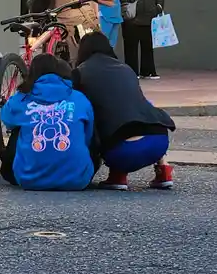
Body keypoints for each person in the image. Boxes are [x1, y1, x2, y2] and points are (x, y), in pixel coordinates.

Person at [72, 32, 175, 190]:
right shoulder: (126, 68)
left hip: (120, 152)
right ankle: (164, 169)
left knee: (99, 118)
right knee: (139, 106)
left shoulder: (80, 72)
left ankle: (117, 175)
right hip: (158, 141)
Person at [0, 54, 96, 191]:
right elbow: (89, 135)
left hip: (28, 180)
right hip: (77, 180)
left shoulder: (22, 98)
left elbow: (6, 119)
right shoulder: (79, 98)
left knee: (17, 128)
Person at [118, 0, 166, 79]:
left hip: (149, 17)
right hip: (131, 18)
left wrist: (159, 7)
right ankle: (132, 72)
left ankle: (148, 71)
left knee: (147, 46)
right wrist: (125, 5)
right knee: (131, 47)